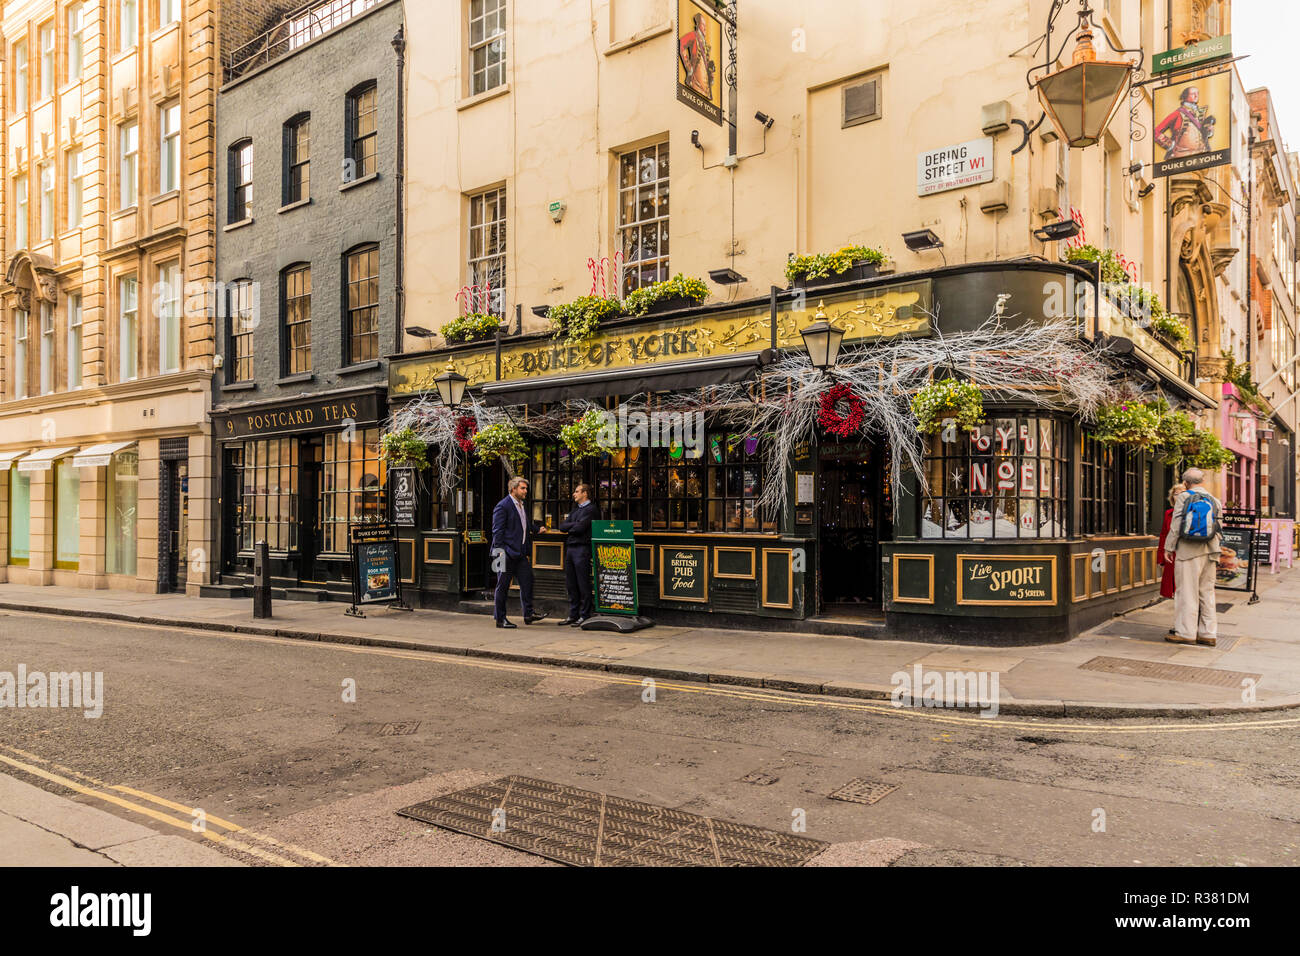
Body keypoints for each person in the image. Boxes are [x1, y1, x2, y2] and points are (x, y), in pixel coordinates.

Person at [1162, 468, 1222, 646]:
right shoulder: (1214, 500)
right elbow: (1219, 526)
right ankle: (1208, 633)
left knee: (1187, 592)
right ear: (1202, 481)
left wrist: (1168, 548)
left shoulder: (1184, 497)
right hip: (1211, 551)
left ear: (1186, 483)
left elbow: (1176, 524)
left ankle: (1186, 632)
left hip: (1188, 552)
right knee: (1207, 593)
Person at [490, 476, 547, 628]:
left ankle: (528, 614)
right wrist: (500, 551)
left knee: (527, 581)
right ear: (513, 489)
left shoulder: (521, 505)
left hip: (519, 553)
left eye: (526, 488)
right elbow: (497, 531)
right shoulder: (503, 506)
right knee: (502, 586)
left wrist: (537, 529)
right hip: (504, 553)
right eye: (523, 488)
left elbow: (524, 525)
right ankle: (500, 619)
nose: (525, 491)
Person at [557, 484, 600, 626]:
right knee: (571, 583)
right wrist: (573, 525)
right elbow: (562, 526)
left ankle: (585, 614)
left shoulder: (592, 509)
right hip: (570, 549)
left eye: (576, 491)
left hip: (582, 548)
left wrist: (572, 526)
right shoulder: (576, 510)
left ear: (585, 493)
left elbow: (581, 528)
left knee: (583, 583)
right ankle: (573, 614)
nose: (574, 494)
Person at [1157, 482, 1187, 610]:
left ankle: (1184, 622)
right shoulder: (1168, 513)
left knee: (1185, 589)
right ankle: (1179, 621)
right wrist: (1160, 558)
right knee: (1174, 591)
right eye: (1176, 494)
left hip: (1186, 553)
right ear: (1172, 497)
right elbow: (1164, 535)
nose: (1178, 496)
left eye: (1182, 493)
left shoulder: (1190, 512)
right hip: (1171, 555)